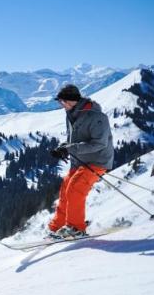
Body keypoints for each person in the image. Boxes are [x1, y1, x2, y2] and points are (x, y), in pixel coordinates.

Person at [47, 84, 114, 239]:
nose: (61, 105)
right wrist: (63, 147)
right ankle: (58, 227)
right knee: (65, 189)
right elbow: (74, 139)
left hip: (97, 160)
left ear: (72, 100)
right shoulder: (71, 114)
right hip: (80, 161)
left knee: (75, 188)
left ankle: (76, 229)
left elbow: (99, 143)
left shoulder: (96, 117)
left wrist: (70, 149)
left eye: (62, 101)